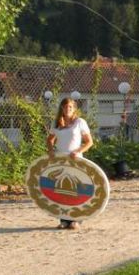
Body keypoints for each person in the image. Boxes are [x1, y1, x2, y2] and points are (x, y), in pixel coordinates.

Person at [46, 97, 94, 229]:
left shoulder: (80, 122)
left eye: (70, 107)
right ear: (62, 108)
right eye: (66, 107)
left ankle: (76, 220)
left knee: (77, 190)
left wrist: (78, 151)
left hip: (76, 161)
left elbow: (89, 142)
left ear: (74, 109)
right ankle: (64, 220)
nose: (68, 109)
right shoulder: (57, 123)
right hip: (61, 162)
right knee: (62, 190)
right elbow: (50, 140)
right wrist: (51, 151)